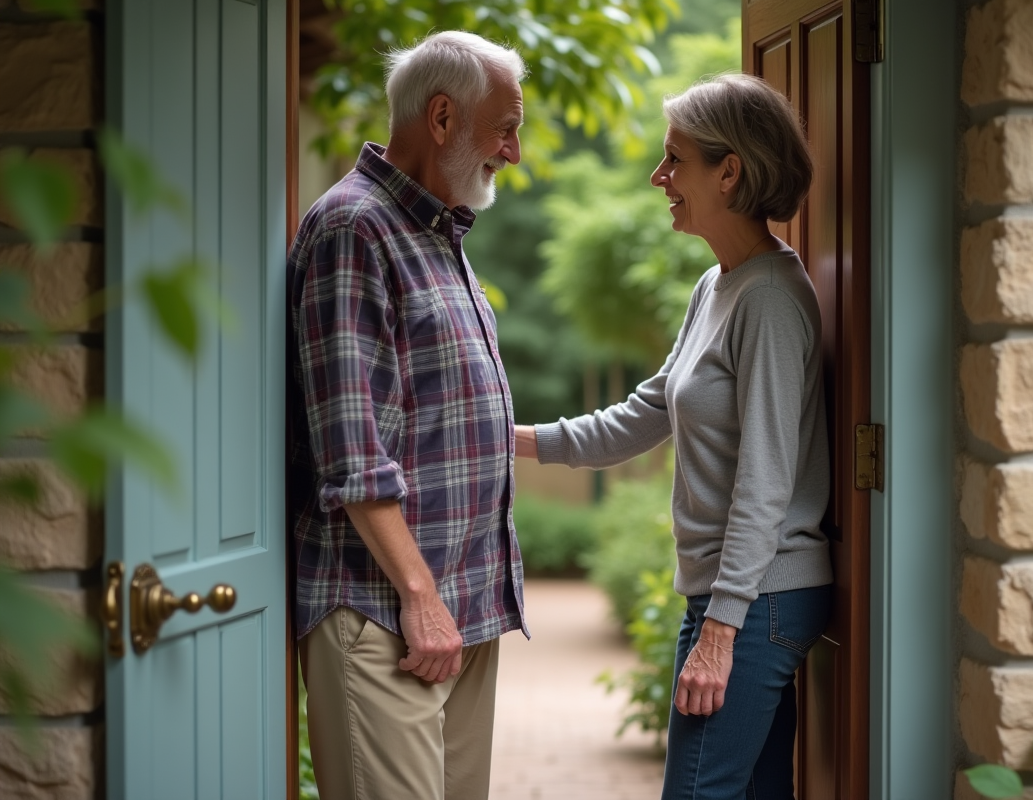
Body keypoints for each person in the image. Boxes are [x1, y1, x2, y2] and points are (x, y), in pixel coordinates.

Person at [515, 73, 832, 799]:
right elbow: (642, 413)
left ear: (730, 171)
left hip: (758, 598)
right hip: (735, 594)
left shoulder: (774, 301)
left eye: (674, 160)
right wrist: (509, 438)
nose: (660, 177)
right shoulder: (716, 287)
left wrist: (720, 631)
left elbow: (766, 478)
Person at [287, 31, 527, 800]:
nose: (513, 152)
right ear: (444, 118)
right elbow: (351, 451)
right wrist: (421, 600)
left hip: (458, 610)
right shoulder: (354, 230)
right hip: (385, 612)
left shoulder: (439, 232)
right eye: (506, 126)